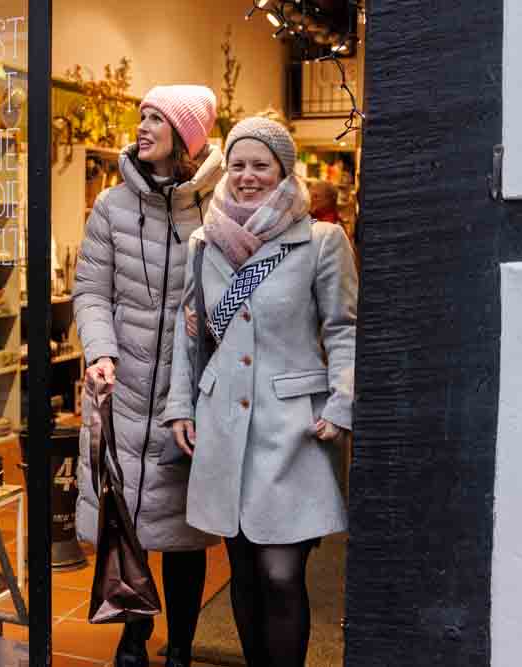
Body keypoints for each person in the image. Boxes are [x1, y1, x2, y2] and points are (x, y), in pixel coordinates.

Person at [164, 117, 357, 667]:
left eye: (260, 166)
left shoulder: (320, 241)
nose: (247, 177)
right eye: (239, 165)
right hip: (222, 420)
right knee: (243, 572)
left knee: (281, 573)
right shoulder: (206, 241)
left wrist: (341, 405)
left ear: (282, 171)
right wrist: (181, 404)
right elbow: (191, 329)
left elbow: (344, 328)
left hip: (292, 426)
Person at [73, 85, 223, 667]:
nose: (143, 124)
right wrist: (100, 352)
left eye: (157, 117)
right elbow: (91, 290)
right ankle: (133, 637)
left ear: (185, 136)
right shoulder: (112, 207)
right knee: (129, 517)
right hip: (126, 386)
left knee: (185, 532)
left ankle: (181, 645)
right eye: (142, 114)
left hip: (190, 391)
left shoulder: (216, 210)